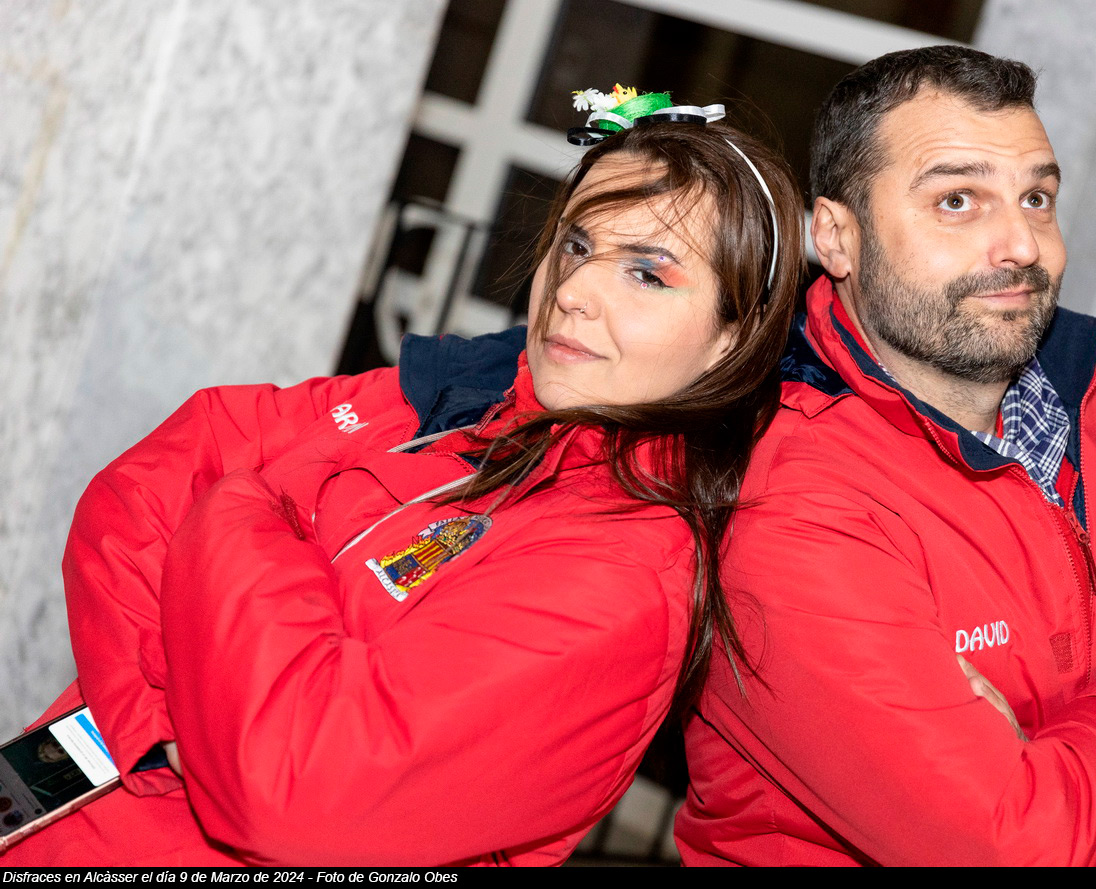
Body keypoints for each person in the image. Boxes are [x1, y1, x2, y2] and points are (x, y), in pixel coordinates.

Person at [3, 92, 805, 866]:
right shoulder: (451, 402)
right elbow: (138, 489)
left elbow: (298, 783)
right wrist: (159, 727)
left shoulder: (620, 576)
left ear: (731, 340)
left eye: (648, 274)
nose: (573, 292)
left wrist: (242, 506)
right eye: (577, 245)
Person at [676, 46, 1096, 866]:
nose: (1021, 244)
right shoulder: (793, 503)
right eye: (958, 200)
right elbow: (1016, 846)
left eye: (1036, 197)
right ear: (836, 236)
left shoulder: (1086, 407)